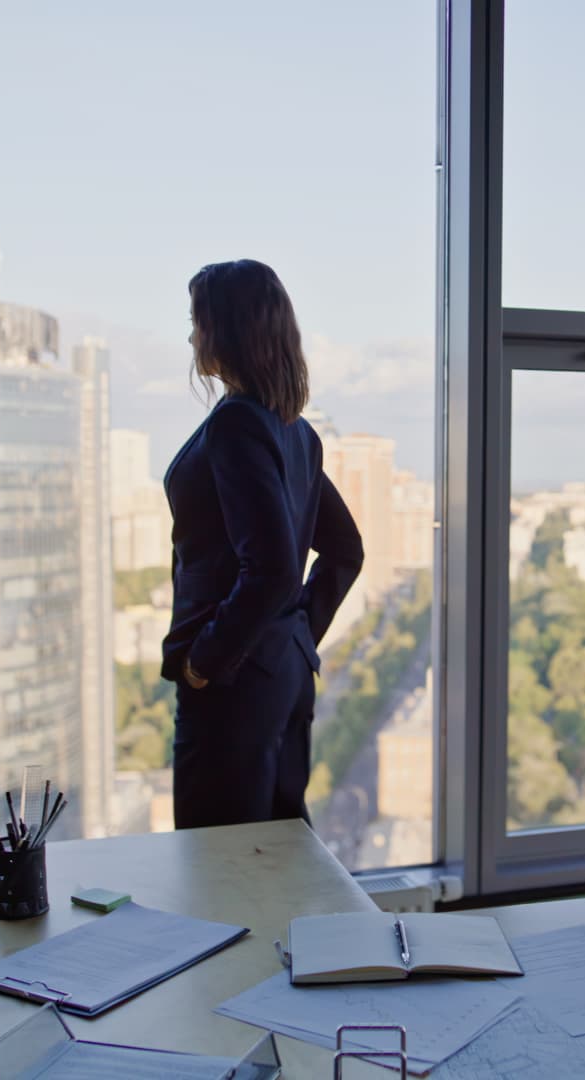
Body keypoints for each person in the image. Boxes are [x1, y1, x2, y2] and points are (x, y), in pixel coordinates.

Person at [160, 259, 363, 829]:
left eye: (197, 322)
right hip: (280, 677)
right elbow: (345, 550)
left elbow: (272, 570)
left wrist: (205, 660)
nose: (192, 338)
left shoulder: (236, 425)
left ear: (226, 330)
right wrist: (294, 637)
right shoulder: (296, 433)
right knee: (277, 847)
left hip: (233, 685)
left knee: (216, 856)